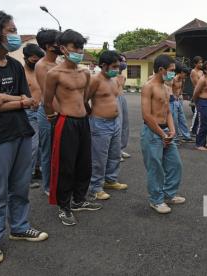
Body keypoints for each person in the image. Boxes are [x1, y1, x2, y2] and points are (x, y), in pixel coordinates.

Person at [0, 11, 48, 266]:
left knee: (20, 185)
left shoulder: (14, 65)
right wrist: (17, 100)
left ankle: (20, 227)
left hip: (22, 132)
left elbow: (31, 102)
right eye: (10, 30)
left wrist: (1, 98)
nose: (14, 35)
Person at [44, 29, 102, 226]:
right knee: (65, 166)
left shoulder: (85, 72)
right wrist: (52, 117)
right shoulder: (54, 74)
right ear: (63, 49)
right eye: (74, 47)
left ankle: (79, 199)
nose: (79, 51)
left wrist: (88, 113)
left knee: (84, 163)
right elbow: (47, 101)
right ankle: (64, 206)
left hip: (83, 121)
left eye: (81, 47)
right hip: (65, 122)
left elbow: (83, 98)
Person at [140, 54, 185, 214]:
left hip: (166, 131)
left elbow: (168, 112)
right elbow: (146, 115)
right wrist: (161, 134)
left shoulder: (167, 87)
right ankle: (156, 200)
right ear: (161, 70)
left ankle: (169, 194)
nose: (173, 73)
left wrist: (172, 131)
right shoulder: (148, 87)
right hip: (152, 132)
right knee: (156, 168)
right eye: (171, 70)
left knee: (175, 164)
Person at [88, 50, 128, 200]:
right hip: (100, 123)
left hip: (115, 122)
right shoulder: (95, 80)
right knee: (99, 158)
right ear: (103, 65)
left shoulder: (114, 80)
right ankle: (95, 187)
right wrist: (92, 117)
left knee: (115, 154)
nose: (117, 69)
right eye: (114, 66)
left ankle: (110, 180)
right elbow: (85, 99)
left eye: (118, 66)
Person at [35, 28, 61, 196]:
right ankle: (48, 186)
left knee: (59, 151)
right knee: (47, 152)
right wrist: (53, 115)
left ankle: (58, 182)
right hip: (48, 113)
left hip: (62, 113)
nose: (61, 45)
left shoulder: (58, 64)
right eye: (58, 42)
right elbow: (48, 96)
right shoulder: (42, 65)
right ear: (47, 46)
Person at [22, 43, 45, 188]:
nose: (36, 62)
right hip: (28, 112)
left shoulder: (39, 71)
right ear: (26, 58)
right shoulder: (20, 72)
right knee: (32, 145)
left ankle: (37, 170)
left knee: (42, 146)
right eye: (34, 59)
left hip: (42, 111)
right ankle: (26, 177)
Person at [192, 60, 207, 151]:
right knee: (202, 124)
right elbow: (195, 93)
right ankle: (198, 144)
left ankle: (204, 143)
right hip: (203, 103)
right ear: (205, 70)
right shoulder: (202, 79)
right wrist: (197, 104)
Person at [172, 63, 194, 143]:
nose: (186, 76)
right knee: (174, 120)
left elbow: (181, 88)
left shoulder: (182, 80)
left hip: (178, 100)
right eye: (185, 74)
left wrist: (179, 95)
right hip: (173, 101)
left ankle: (186, 136)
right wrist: (173, 97)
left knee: (182, 119)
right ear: (181, 72)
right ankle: (175, 138)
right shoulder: (173, 79)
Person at [116, 54, 131, 161]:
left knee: (125, 124)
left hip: (122, 98)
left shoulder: (123, 76)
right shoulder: (111, 74)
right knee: (118, 125)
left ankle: (120, 149)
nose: (124, 63)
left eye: (125, 61)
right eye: (122, 61)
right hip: (115, 99)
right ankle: (115, 152)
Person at [190, 56, 203, 135]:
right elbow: (197, 84)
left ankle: (198, 128)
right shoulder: (193, 72)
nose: (201, 64)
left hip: (203, 93)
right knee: (197, 112)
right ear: (195, 63)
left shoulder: (201, 72)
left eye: (202, 62)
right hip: (198, 93)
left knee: (201, 112)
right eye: (199, 63)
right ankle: (193, 130)